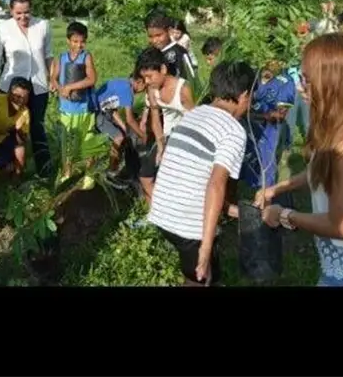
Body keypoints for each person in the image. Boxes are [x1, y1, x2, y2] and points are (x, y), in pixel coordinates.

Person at [255, 33, 343, 287]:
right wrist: (278, 188)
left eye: (307, 81)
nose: (300, 88)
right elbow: (319, 171)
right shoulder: (337, 126)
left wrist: (285, 214)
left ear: (333, 84)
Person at [147, 61, 254, 286]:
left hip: (161, 210)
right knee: (200, 278)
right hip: (186, 222)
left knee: (207, 270)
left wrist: (237, 211)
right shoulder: (233, 130)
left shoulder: (193, 114)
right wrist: (205, 248)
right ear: (244, 95)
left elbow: (192, 176)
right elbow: (216, 185)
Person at [0, 0, 52, 177]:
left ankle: (45, 171)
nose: (23, 17)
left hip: (39, 86)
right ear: (10, 10)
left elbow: (48, 55)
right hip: (11, 88)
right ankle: (10, 171)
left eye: (26, 12)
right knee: (10, 129)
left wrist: (53, 78)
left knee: (37, 127)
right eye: (18, 13)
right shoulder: (2, 30)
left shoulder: (43, 26)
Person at [135, 47, 196, 205]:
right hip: (167, 136)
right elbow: (155, 119)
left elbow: (196, 121)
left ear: (163, 69)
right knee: (145, 177)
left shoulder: (183, 90)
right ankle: (157, 211)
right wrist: (160, 146)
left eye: (149, 76)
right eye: (144, 77)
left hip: (187, 137)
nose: (147, 82)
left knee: (175, 182)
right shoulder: (152, 89)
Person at [241, 60, 296, 207]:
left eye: (275, 60)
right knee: (247, 164)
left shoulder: (285, 82)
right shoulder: (252, 75)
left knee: (267, 167)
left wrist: (258, 115)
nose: (270, 64)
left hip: (270, 131)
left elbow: (280, 114)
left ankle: (266, 204)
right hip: (249, 128)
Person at [49, 22, 98, 181]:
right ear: (68, 40)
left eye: (82, 41)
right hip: (66, 109)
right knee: (67, 144)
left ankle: (89, 176)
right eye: (75, 41)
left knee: (88, 142)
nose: (79, 45)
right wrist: (59, 88)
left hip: (84, 108)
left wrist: (70, 87)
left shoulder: (86, 56)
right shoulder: (61, 57)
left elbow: (92, 79)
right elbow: (54, 78)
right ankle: (67, 175)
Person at [91, 72, 148, 186]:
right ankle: (111, 171)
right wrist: (143, 136)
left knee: (123, 134)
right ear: (139, 82)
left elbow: (112, 110)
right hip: (96, 114)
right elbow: (130, 119)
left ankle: (115, 164)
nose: (145, 89)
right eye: (145, 86)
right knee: (119, 137)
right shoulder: (127, 91)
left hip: (103, 112)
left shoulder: (122, 84)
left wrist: (124, 127)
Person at [0, 77, 32, 180]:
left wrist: (20, 132)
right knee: (5, 169)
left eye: (25, 97)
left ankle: (15, 183)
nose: (21, 100)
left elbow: (23, 139)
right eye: (17, 96)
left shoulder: (25, 111)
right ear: (9, 92)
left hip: (4, 139)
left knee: (20, 149)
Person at [144, 9, 196, 81]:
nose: (154, 40)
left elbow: (190, 80)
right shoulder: (149, 53)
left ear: (169, 31)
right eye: (150, 36)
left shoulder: (180, 53)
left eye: (158, 35)